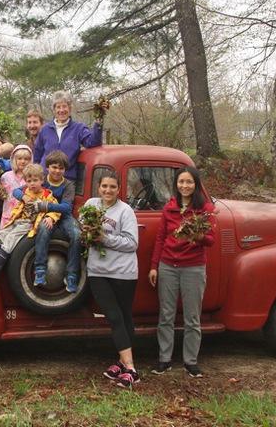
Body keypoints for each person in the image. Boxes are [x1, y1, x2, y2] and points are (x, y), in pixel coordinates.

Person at [149, 166, 215, 379]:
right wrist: (154, 266)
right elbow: (160, 238)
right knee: (166, 315)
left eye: (189, 182)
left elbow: (211, 240)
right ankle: (164, 359)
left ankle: (191, 362)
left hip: (193, 267)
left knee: (192, 317)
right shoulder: (169, 208)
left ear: (196, 185)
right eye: (181, 182)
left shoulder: (204, 209)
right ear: (176, 184)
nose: (184, 186)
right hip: (168, 265)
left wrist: (197, 236)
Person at [81, 170, 140, 388]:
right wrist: (86, 232)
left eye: (112, 187)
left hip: (123, 272)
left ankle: (125, 366)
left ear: (119, 189)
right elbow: (82, 225)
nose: (108, 190)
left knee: (124, 317)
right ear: (98, 187)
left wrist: (103, 238)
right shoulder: (91, 205)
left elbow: (132, 243)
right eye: (104, 186)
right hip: (98, 271)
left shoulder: (126, 211)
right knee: (114, 316)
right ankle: (130, 367)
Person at [12, 150, 81, 292]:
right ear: (48, 167)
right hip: (43, 216)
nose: (57, 171)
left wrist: (47, 208)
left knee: (76, 234)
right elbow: (16, 191)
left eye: (61, 168)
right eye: (54, 167)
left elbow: (67, 208)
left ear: (65, 170)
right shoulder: (40, 180)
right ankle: (40, 270)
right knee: (43, 229)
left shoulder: (68, 185)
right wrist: (24, 197)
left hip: (62, 217)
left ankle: (72, 274)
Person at [0, 164, 60, 275]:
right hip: (18, 220)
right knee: (3, 233)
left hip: (30, 223)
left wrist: (50, 217)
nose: (32, 183)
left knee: (11, 238)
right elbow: (18, 204)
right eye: (29, 181)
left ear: (42, 180)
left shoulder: (47, 195)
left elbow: (55, 208)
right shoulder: (26, 192)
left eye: (35, 180)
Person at [33, 90, 103, 181]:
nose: (61, 110)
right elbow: (37, 155)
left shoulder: (78, 128)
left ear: (70, 109)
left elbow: (92, 142)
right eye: (58, 107)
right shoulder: (45, 129)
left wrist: (99, 121)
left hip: (67, 181)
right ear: (54, 110)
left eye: (64, 106)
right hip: (45, 179)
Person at [0, 144, 32, 228]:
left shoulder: (32, 177)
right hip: (8, 214)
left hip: (25, 217)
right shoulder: (6, 176)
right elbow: (1, 194)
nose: (23, 161)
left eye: (26, 159)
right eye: (20, 159)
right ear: (14, 160)